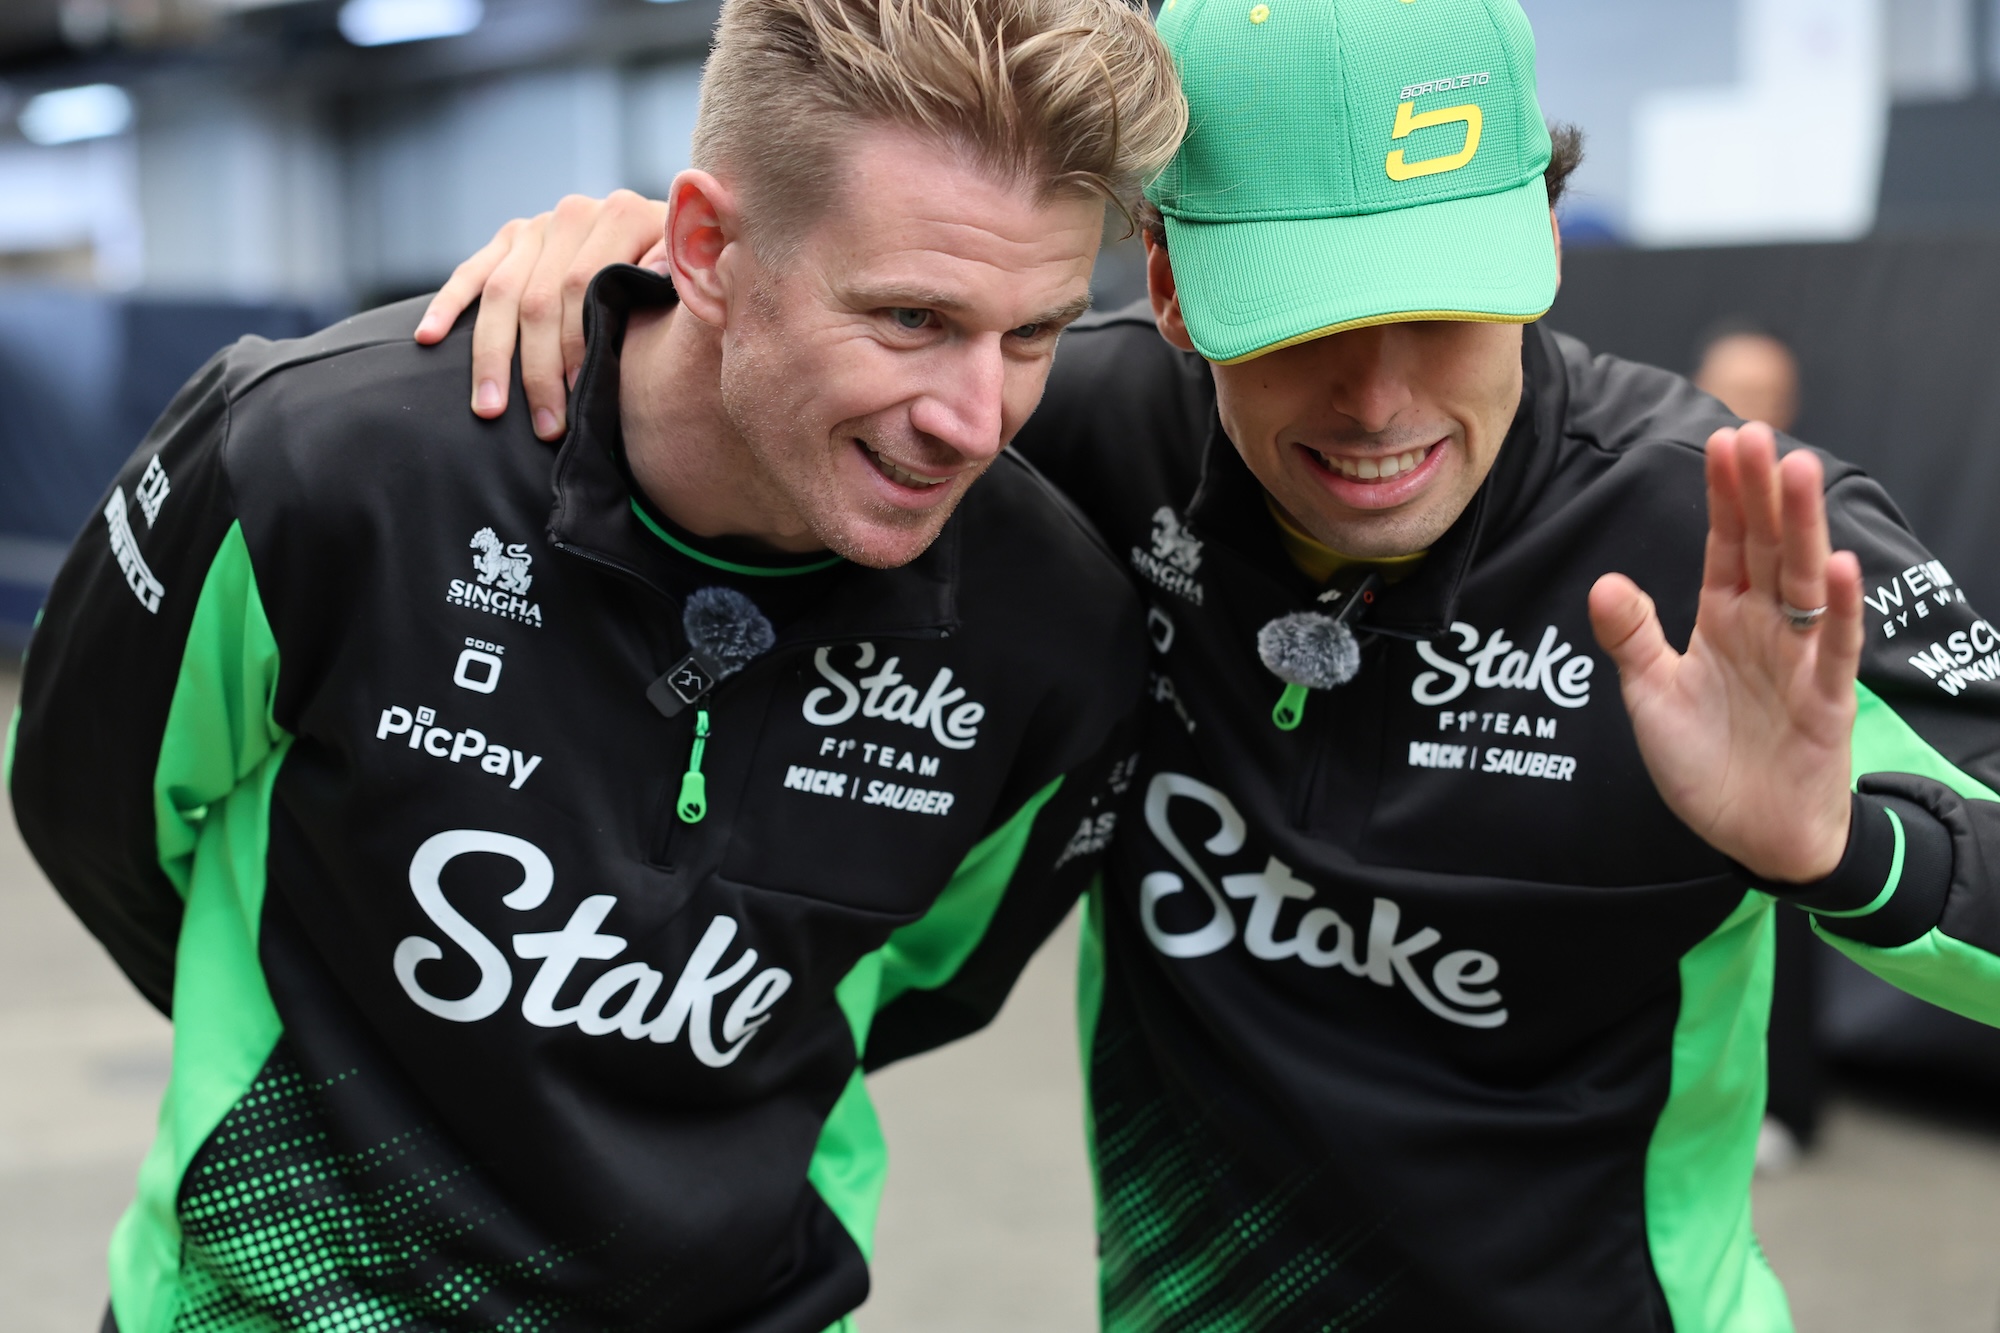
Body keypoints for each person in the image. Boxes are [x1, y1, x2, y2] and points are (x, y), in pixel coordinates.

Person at [430, 0, 2000, 1328]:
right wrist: (643, 273)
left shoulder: (1724, 531)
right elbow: (789, 362)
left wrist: (1840, 849)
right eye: (1304, 318)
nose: (1378, 400)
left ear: (1543, 237)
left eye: (1445, 305)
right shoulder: (1077, 442)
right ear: (1173, 288)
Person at [3, 0, 1185, 1328]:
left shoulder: (1053, 631)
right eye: (912, 317)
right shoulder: (321, 469)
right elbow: (89, 803)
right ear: (703, 247)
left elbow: (932, 973)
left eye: (1033, 335)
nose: (976, 418)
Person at [1693, 319, 1821, 1170]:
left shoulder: (1816, 504)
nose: (1748, 409)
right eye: (1732, 387)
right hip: (1672, 748)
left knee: (1790, 918)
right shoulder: (1638, 475)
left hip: (1778, 752)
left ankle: (1789, 1105)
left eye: (1767, 396)